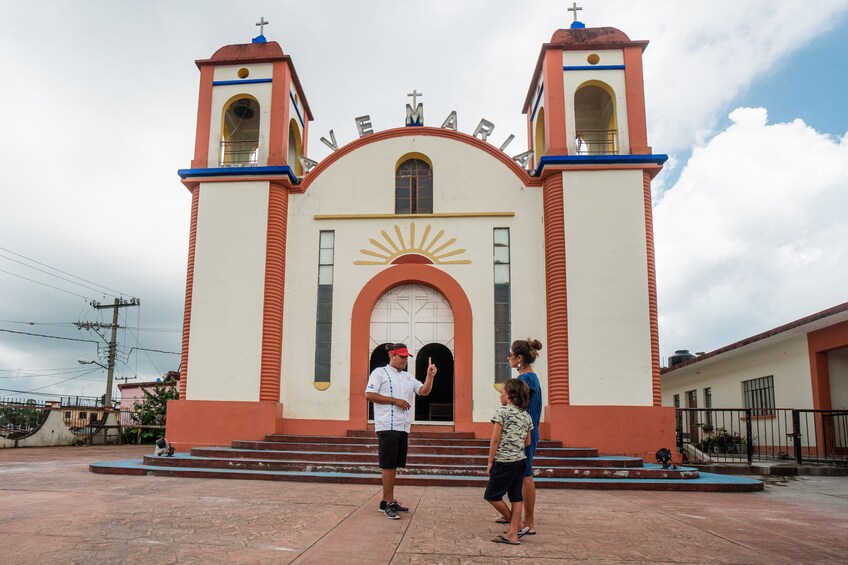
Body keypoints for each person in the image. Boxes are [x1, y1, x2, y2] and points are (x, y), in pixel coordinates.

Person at [365, 343, 437, 519]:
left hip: (403, 426)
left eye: (406, 357)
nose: (405, 360)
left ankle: (386, 501)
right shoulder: (379, 372)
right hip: (387, 426)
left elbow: (424, 391)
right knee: (388, 464)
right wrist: (395, 401)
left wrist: (430, 376)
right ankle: (389, 503)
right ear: (392, 355)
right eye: (402, 356)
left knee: (395, 464)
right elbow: (369, 394)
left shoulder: (408, 377)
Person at [485, 378, 533, 545]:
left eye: (502, 393)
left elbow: (495, 440)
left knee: (492, 495)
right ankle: (513, 533)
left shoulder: (502, 412)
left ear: (510, 395)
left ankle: (517, 525)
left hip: (504, 461)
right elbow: (528, 442)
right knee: (516, 497)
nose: (500, 396)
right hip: (520, 461)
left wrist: (490, 461)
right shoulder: (526, 416)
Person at [507, 338, 543, 535]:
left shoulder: (527, 380)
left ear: (519, 357)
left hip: (525, 432)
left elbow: (522, 408)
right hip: (522, 430)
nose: (509, 358)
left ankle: (529, 520)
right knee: (517, 473)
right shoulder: (527, 377)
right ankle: (517, 515)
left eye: (510, 355)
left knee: (526, 474)